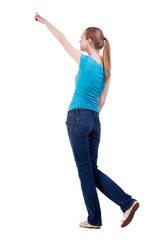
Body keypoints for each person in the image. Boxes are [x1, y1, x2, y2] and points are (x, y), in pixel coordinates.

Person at [34, 12, 139, 229]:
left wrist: (45, 23)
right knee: (91, 170)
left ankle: (103, 214)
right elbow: (101, 101)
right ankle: (121, 206)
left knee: (85, 171)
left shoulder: (84, 61)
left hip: (77, 118)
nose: (79, 41)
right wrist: (91, 117)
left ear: (89, 41)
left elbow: (61, 39)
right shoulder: (107, 69)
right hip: (94, 121)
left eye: (81, 38)